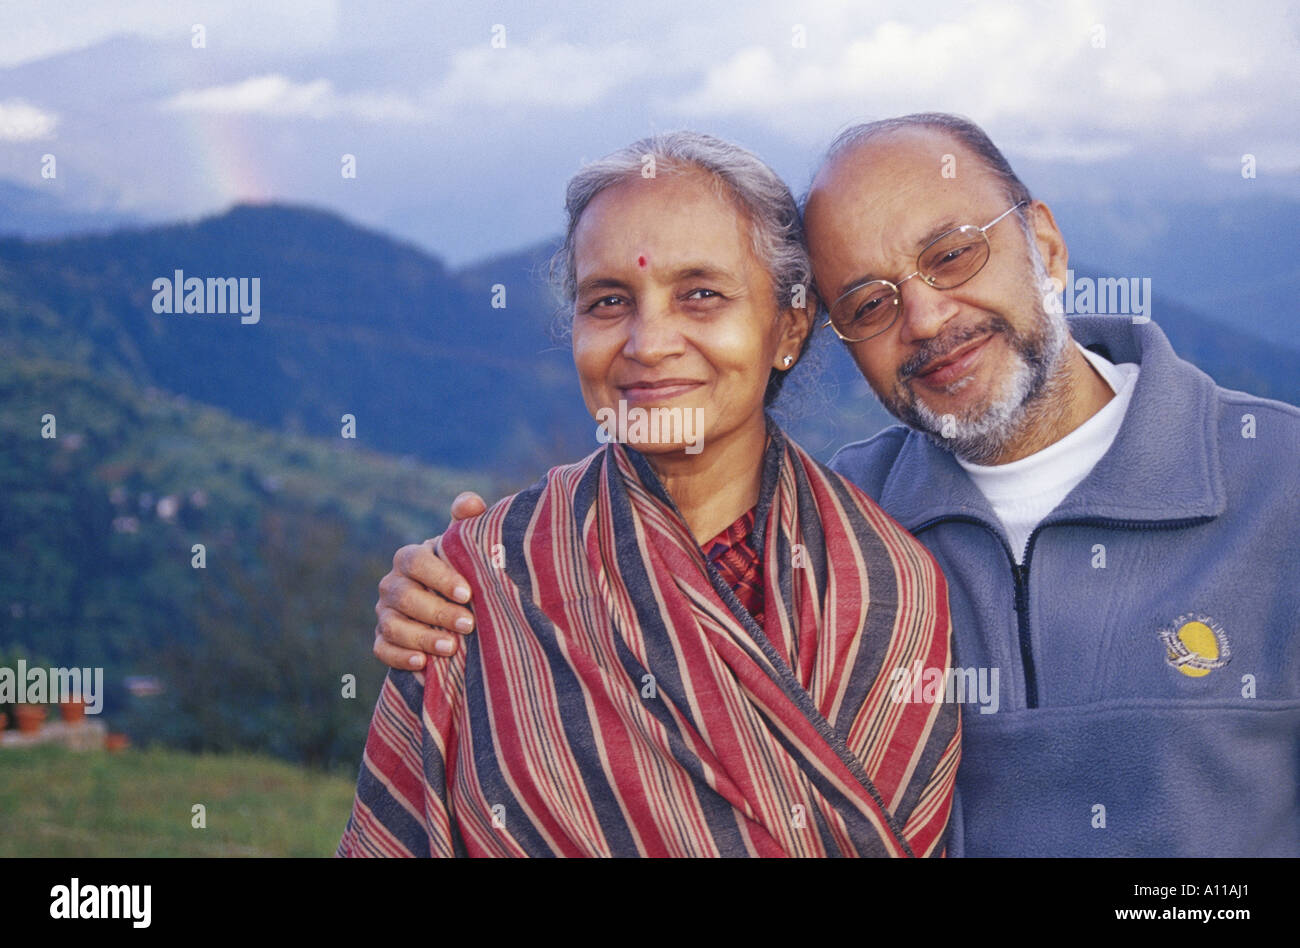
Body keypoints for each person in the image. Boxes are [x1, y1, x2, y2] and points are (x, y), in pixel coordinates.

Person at [373, 113, 1300, 857]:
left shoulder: (1277, 485)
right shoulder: (856, 518)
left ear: (1047, 246)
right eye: (871, 302)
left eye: (952, 255)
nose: (929, 318)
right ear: (826, 334)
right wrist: (446, 582)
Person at [339, 131, 961, 857]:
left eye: (700, 294)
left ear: (788, 326)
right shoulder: (480, 580)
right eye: (608, 301)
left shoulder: (887, 587)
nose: (648, 342)